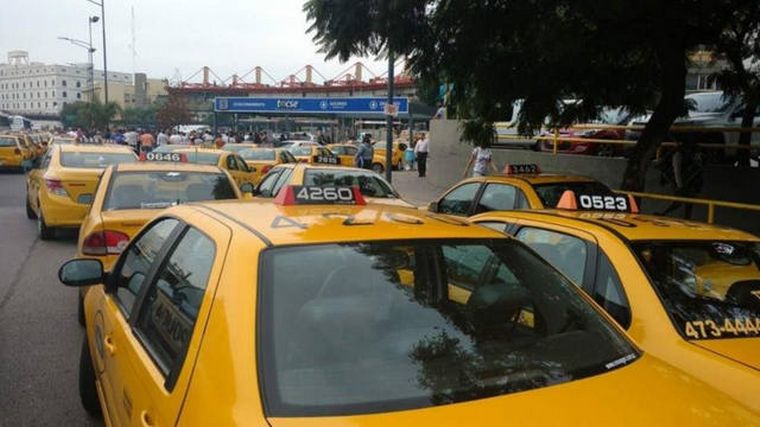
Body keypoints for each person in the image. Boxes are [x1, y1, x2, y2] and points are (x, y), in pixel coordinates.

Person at [657, 140, 703, 219]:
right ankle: (664, 214)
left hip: (687, 181)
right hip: (683, 182)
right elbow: (677, 170)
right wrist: (680, 185)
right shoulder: (679, 155)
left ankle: (685, 217)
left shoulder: (689, 155)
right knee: (682, 201)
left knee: (686, 201)